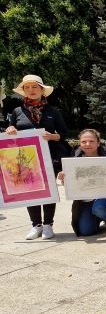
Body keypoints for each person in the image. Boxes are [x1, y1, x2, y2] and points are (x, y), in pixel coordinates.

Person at [5, 75, 70, 240]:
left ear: (42, 90)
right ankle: (36, 225)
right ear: (24, 91)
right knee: (30, 190)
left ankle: (48, 225)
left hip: (50, 156)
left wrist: (52, 136)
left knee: (49, 190)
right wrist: (10, 129)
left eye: (35, 87)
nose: (31, 90)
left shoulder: (53, 112)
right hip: (26, 158)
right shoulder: (17, 111)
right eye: (27, 87)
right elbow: (11, 130)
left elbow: (63, 134)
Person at [58, 129, 106, 237]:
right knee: (86, 231)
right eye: (84, 142)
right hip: (86, 202)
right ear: (80, 144)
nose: (87, 144)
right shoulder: (74, 161)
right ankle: (98, 218)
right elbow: (73, 187)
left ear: (98, 142)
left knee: (99, 207)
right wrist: (65, 179)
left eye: (91, 141)